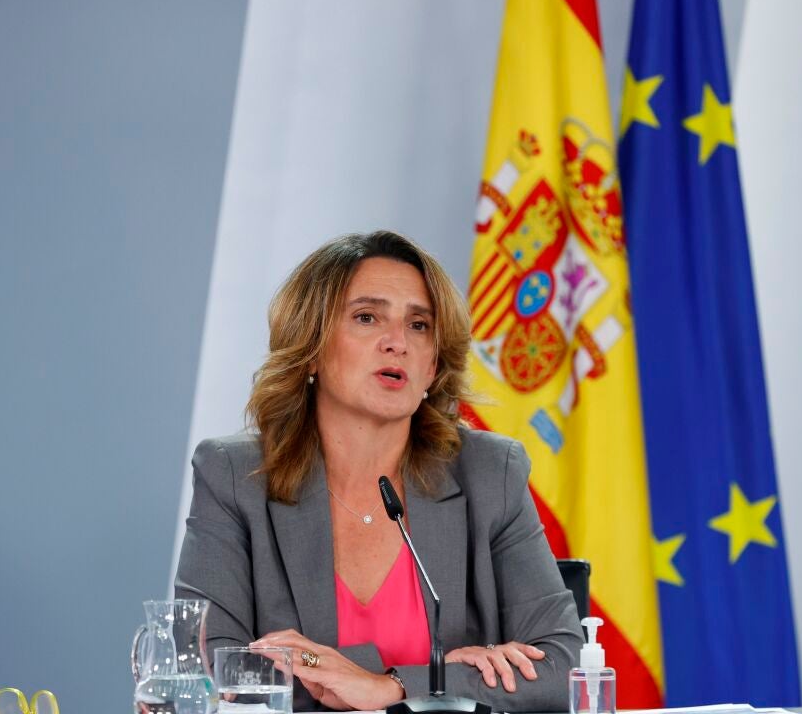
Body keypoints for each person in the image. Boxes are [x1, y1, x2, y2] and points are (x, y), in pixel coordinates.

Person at [175, 231, 582, 712]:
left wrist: (391, 686)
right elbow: (207, 670)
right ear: (311, 346)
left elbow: (566, 667)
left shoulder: (490, 472)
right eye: (367, 317)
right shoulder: (235, 475)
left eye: (419, 325)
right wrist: (439, 681)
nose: (398, 343)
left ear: (433, 366)